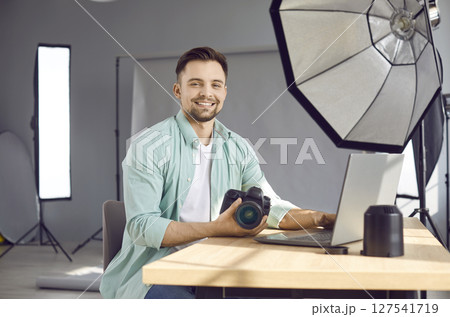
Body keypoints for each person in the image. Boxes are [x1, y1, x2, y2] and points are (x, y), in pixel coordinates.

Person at [99, 47, 335, 299]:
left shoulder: (237, 147)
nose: (206, 93)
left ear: (224, 92)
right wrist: (215, 228)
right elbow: (142, 226)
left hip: (218, 265)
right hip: (156, 275)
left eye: (215, 84)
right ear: (178, 90)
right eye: (196, 83)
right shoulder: (149, 145)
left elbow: (270, 206)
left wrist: (321, 217)